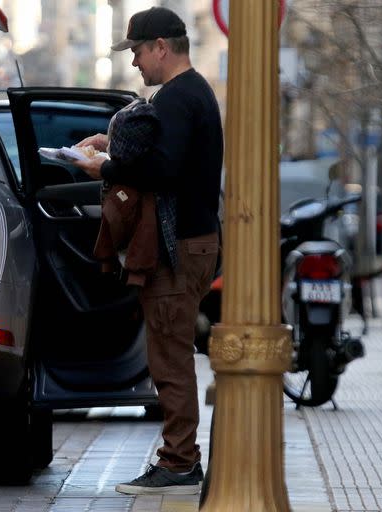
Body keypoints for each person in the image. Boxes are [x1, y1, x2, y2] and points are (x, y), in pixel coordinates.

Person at [73, 6, 222, 495]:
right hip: (192, 244)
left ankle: (179, 462)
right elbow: (163, 157)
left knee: (170, 358)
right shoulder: (189, 93)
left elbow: (163, 171)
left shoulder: (179, 98)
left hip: (179, 248)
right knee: (170, 352)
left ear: (161, 46)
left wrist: (106, 169)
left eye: (137, 50)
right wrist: (113, 144)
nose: (134, 62)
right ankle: (180, 458)